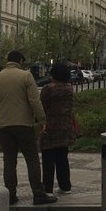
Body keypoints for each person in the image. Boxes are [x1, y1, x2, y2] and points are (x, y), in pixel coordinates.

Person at [0, 50, 56, 206]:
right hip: (24, 124)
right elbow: (34, 101)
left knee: (9, 161)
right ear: (20, 61)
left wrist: (3, 108)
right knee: (32, 159)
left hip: (4, 125)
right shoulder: (26, 76)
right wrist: (42, 119)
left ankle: (10, 194)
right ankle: (38, 194)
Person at [40, 61, 76, 196]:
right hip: (65, 127)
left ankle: (47, 188)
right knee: (62, 158)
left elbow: (41, 106)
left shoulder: (48, 89)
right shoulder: (69, 88)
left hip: (50, 127)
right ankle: (65, 185)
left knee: (48, 159)